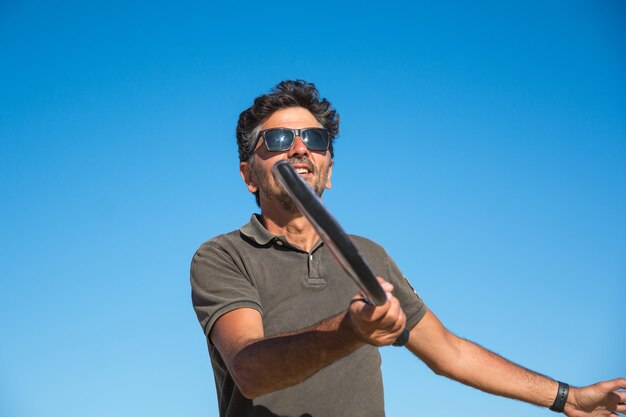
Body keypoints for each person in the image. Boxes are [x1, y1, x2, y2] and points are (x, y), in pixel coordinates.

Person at [190, 80, 625, 417]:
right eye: (280, 140)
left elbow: (450, 353)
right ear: (249, 175)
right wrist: (348, 332)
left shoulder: (370, 256)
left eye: (315, 139)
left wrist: (568, 398)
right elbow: (248, 371)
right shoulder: (223, 256)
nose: (301, 147)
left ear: (329, 169)